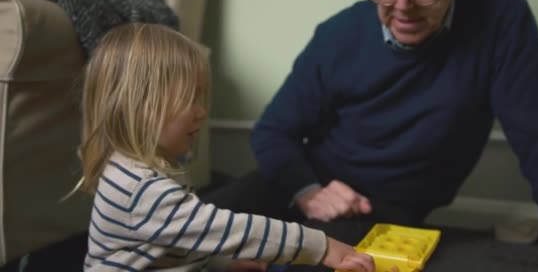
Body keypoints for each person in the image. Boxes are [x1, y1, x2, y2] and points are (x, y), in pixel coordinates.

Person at [204, 0, 538, 271]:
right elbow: (273, 131)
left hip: (385, 205)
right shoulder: (337, 32)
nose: (401, 5)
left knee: (313, 262)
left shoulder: (502, 19)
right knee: (191, 227)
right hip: (304, 180)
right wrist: (309, 193)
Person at [76, 23, 375, 272]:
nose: (201, 112)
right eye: (189, 99)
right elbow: (225, 229)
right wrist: (320, 247)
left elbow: (181, 240)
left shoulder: (147, 169)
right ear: (142, 108)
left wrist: (222, 265)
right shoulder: (139, 189)